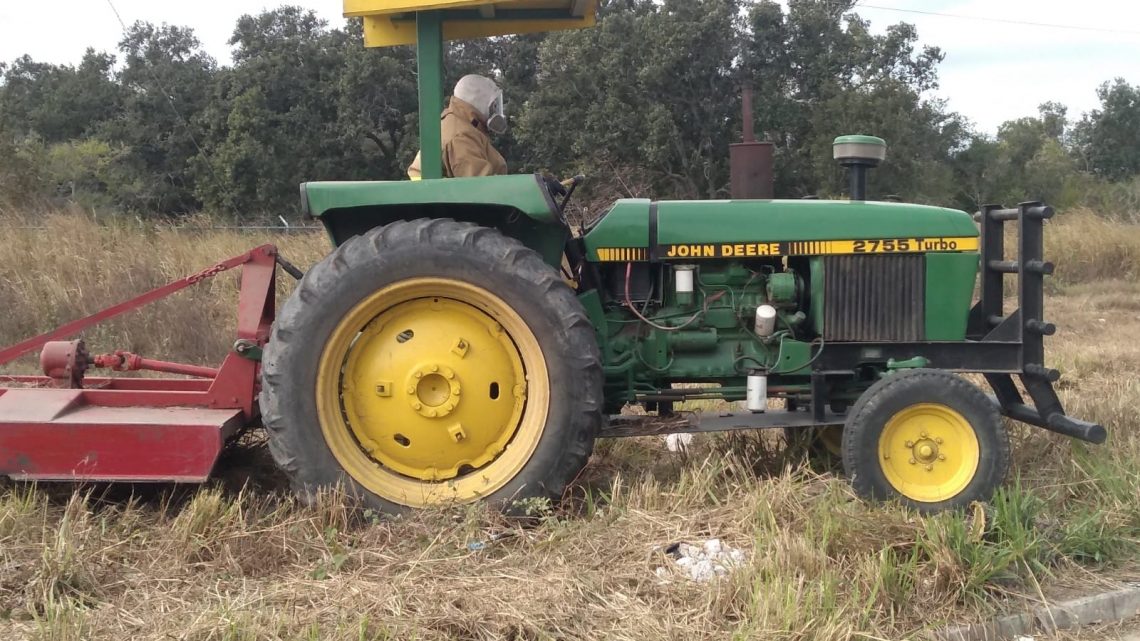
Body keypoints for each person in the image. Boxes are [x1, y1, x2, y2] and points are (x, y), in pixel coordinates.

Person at [408, 74, 509, 179]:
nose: (496, 110)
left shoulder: (458, 123)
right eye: (494, 105)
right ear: (480, 103)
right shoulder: (462, 136)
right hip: (441, 195)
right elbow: (481, 187)